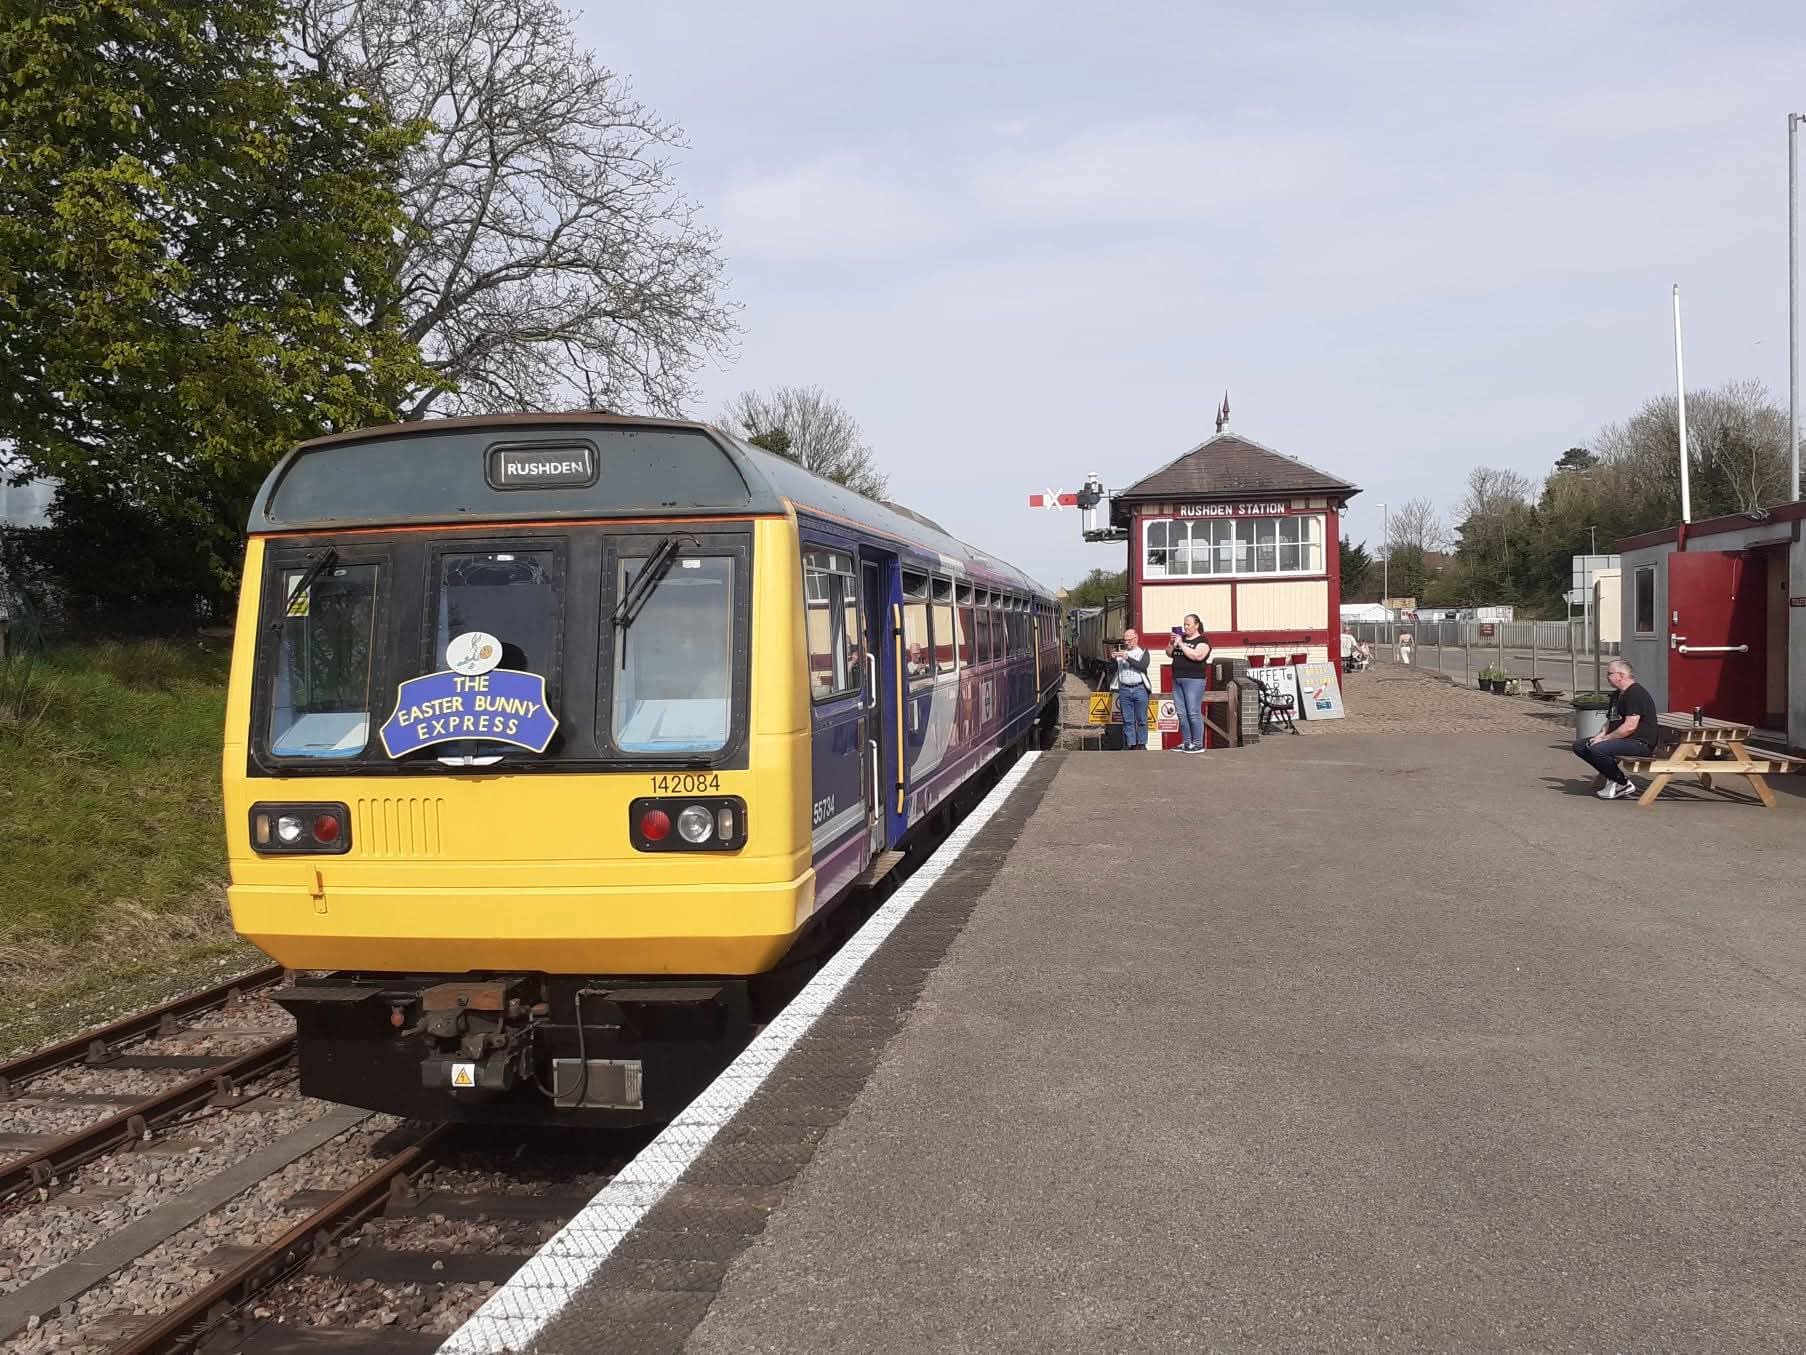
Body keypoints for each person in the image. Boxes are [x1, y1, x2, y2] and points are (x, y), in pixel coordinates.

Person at [1572, 658, 1659, 799]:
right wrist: (1600, 736)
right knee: (1581, 746)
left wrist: (1606, 739)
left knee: (1597, 749)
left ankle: (1622, 783)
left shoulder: (1636, 694)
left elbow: (1630, 727)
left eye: (1609, 673)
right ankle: (1614, 778)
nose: (1607, 677)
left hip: (1639, 742)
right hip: (1623, 740)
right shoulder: (1617, 694)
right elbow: (1610, 721)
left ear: (1621, 675)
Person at [1168, 613, 1212, 753]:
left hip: (1194, 680)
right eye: (1184, 624)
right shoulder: (1182, 638)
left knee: (1193, 712)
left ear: (1196, 625)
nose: (1185, 627)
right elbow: (1169, 653)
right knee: (1181, 713)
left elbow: (1198, 656)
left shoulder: (1202, 641)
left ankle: (1197, 743)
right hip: (1177, 679)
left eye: (1188, 624)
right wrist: (1171, 643)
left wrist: (1181, 643)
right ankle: (1186, 742)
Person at [1110, 627, 1151, 750]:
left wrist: (1127, 657)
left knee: (1142, 719)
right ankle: (1131, 744)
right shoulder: (1121, 652)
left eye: (1129, 640)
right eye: (1125, 640)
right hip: (1124, 689)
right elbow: (1113, 670)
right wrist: (1113, 659)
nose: (1127, 642)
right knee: (1128, 719)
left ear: (1136, 638)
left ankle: (1142, 744)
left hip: (1139, 688)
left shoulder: (1143, 651)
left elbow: (1143, 665)